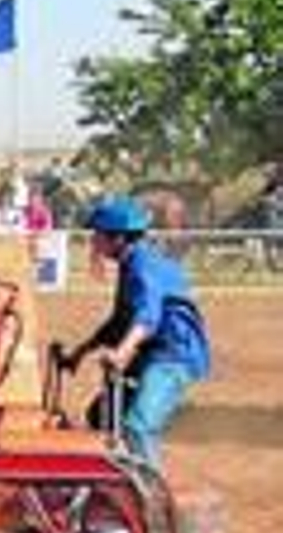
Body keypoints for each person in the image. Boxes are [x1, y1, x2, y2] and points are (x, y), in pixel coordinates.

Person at [58, 196, 210, 470]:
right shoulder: (131, 264)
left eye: (98, 235)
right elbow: (119, 321)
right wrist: (80, 353)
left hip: (173, 354)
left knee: (138, 427)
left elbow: (147, 316)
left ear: (119, 238)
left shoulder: (143, 266)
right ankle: (116, 481)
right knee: (101, 415)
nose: (93, 241)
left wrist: (123, 352)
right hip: (151, 350)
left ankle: (151, 500)